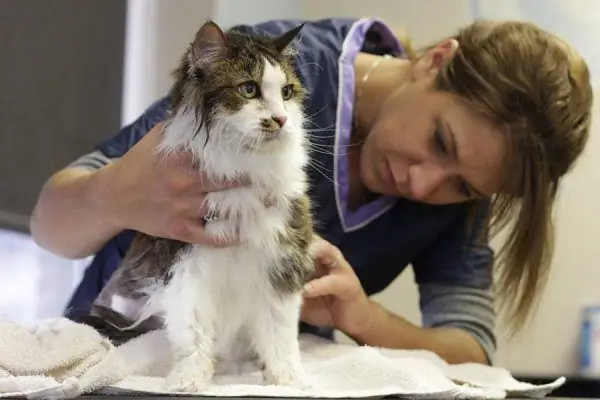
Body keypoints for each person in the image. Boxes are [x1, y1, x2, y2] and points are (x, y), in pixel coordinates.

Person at [30, 16, 593, 365]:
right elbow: (49, 225)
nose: (424, 184)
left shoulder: (463, 192)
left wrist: (363, 319)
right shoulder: (278, 73)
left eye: (464, 185)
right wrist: (115, 194)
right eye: (440, 141)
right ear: (438, 61)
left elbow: (472, 348)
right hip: (106, 349)